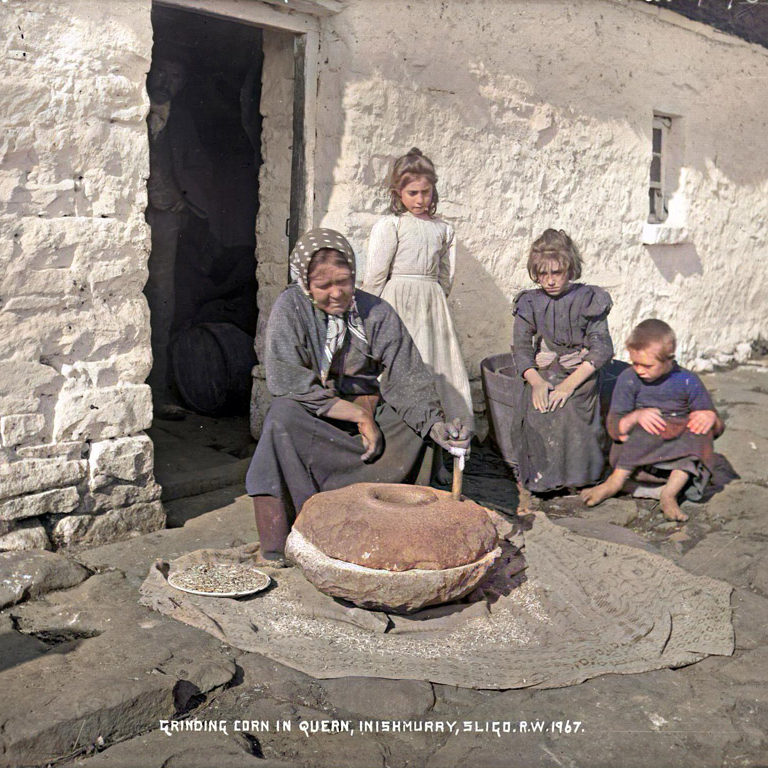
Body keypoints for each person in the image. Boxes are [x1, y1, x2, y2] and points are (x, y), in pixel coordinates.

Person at [246, 228, 472, 567]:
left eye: (344, 281)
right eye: (323, 286)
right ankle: (289, 538)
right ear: (305, 283)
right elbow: (287, 379)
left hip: (369, 414)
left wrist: (435, 425)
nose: (336, 293)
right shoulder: (290, 307)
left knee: (413, 428)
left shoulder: (375, 312)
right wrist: (357, 416)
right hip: (318, 413)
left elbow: (407, 375)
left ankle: (399, 523)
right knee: (281, 417)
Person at [361, 148, 474, 430]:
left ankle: (444, 436)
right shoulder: (392, 225)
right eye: (412, 193)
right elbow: (376, 274)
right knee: (401, 365)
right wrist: (367, 315)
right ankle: (397, 432)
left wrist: (435, 303)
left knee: (436, 367)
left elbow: (445, 276)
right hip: (397, 304)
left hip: (431, 307)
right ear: (398, 192)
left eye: (425, 192)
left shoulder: (443, 230)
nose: (420, 200)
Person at [580, 319, 736, 521]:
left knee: (699, 434)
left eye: (647, 365)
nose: (639, 370)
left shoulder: (687, 380)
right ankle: (614, 482)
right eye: (635, 363)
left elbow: (717, 428)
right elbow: (614, 426)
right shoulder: (629, 379)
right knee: (640, 429)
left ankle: (669, 494)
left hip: (675, 455)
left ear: (669, 360)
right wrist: (636, 416)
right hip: (637, 456)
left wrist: (710, 417)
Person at [511, 229, 614, 494]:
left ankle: (580, 477)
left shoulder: (588, 298)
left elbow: (601, 347)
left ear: (570, 269)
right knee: (539, 408)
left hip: (579, 372)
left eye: (556, 273)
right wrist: (535, 382)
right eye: (542, 274)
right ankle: (544, 479)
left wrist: (568, 385)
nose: (550, 281)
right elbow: (521, 348)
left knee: (570, 405)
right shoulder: (530, 302)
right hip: (544, 371)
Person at [145, 54, 214, 420]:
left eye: (176, 74)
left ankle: (157, 392)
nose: (167, 79)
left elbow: (197, 167)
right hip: (128, 217)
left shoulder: (182, 120)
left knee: (162, 299)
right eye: (164, 70)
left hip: (165, 222)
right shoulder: (131, 106)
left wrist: (183, 200)